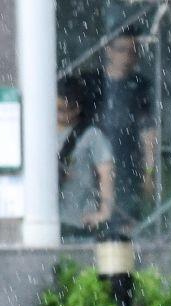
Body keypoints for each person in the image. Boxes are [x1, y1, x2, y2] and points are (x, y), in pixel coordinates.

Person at [86, 27, 156, 228]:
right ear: (108, 50)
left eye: (133, 51)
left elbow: (148, 131)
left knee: (126, 216)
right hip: (93, 159)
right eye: (122, 50)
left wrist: (149, 170)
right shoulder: (94, 83)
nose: (127, 56)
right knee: (93, 215)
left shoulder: (139, 86)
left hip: (128, 159)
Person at [57, 75, 115, 240]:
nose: (57, 114)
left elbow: (106, 173)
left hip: (79, 219)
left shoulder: (91, 135)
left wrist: (104, 212)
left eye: (61, 109)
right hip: (49, 218)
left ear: (76, 108)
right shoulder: (41, 132)